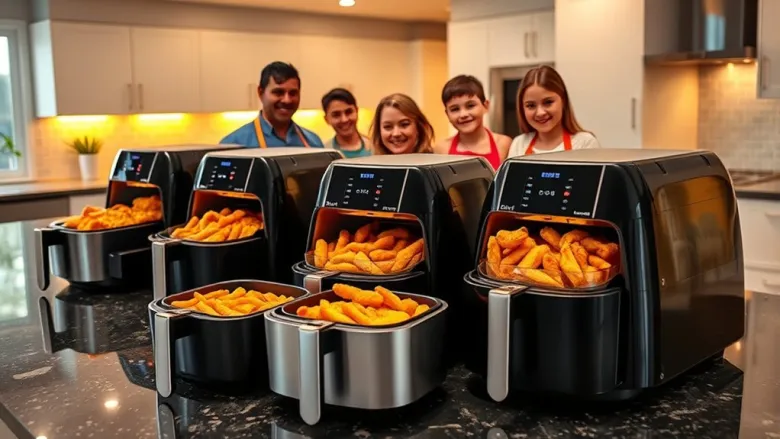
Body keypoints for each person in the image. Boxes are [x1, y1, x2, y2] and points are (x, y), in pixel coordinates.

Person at [220, 61, 323, 148]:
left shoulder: (314, 143)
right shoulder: (234, 145)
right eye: (278, 92)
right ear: (260, 93)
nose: (287, 100)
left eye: (293, 93)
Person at [508, 65, 600, 157]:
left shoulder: (585, 143)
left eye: (548, 102)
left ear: (563, 101)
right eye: (531, 105)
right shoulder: (519, 144)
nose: (540, 113)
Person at [433, 75, 511, 170]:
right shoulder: (441, 149)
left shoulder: (504, 144)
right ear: (447, 114)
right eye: (455, 109)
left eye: (470, 106)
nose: (463, 114)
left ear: (485, 106)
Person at [370, 93, 434, 155]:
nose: (396, 134)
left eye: (404, 124)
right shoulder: (369, 161)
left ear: (418, 126)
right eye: (388, 127)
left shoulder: (435, 160)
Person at [321, 88, 372, 158]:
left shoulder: (376, 148)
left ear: (357, 111)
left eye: (348, 112)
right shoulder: (324, 154)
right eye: (336, 115)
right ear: (327, 119)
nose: (344, 119)